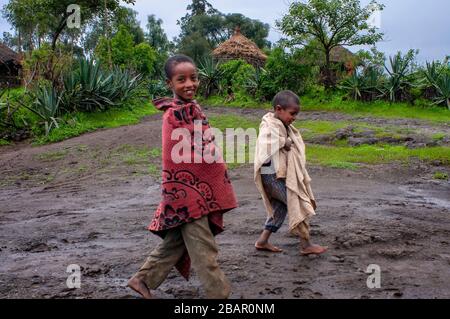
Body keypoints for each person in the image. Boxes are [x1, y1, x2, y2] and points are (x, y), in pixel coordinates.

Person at [128, 55, 238, 299]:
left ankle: (142, 279)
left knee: (176, 242)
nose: (189, 84)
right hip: (187, 197)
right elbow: (177, 160)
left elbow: (205, 146)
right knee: (204, 249)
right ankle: (219, 295)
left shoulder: (193, 109)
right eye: (181, 80)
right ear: (170, 84)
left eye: (194, 78)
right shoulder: (172, 116)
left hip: (197, 195)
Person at [253, 90, 327, 255]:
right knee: (297, 203)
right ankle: (306, 244)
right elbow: (265, 144)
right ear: (279, 109)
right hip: (271, 176)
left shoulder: (284, 126)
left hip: (278, 176)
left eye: (296, 114)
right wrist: (282, 142)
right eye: (292, 113)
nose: (294, 117)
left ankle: (262, 241)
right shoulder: (269, 125)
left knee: (281, 207)